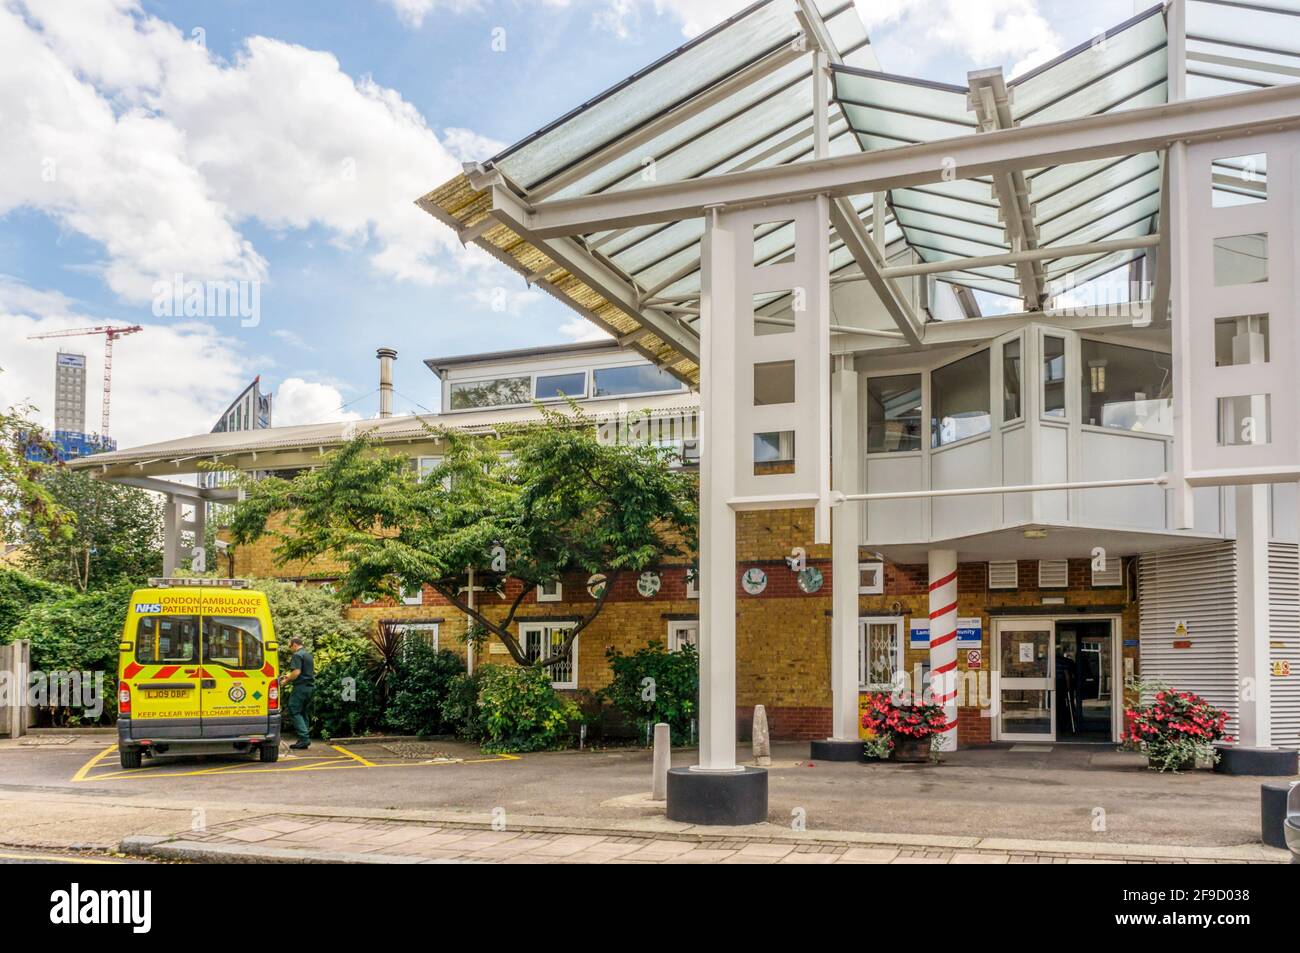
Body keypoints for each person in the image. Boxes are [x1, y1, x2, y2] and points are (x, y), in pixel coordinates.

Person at [280, 636, 315, 750]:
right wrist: (289, 675)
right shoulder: (307, 655)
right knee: (303, 712)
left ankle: (304, 739)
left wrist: (286, 681)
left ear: (294, 644)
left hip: (300, 688)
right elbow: (304, 672)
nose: (290, 649)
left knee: (294, 710)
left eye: (290, 646)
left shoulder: (297, 655)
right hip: (309, 687)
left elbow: (296, 672)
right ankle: (304, 738)